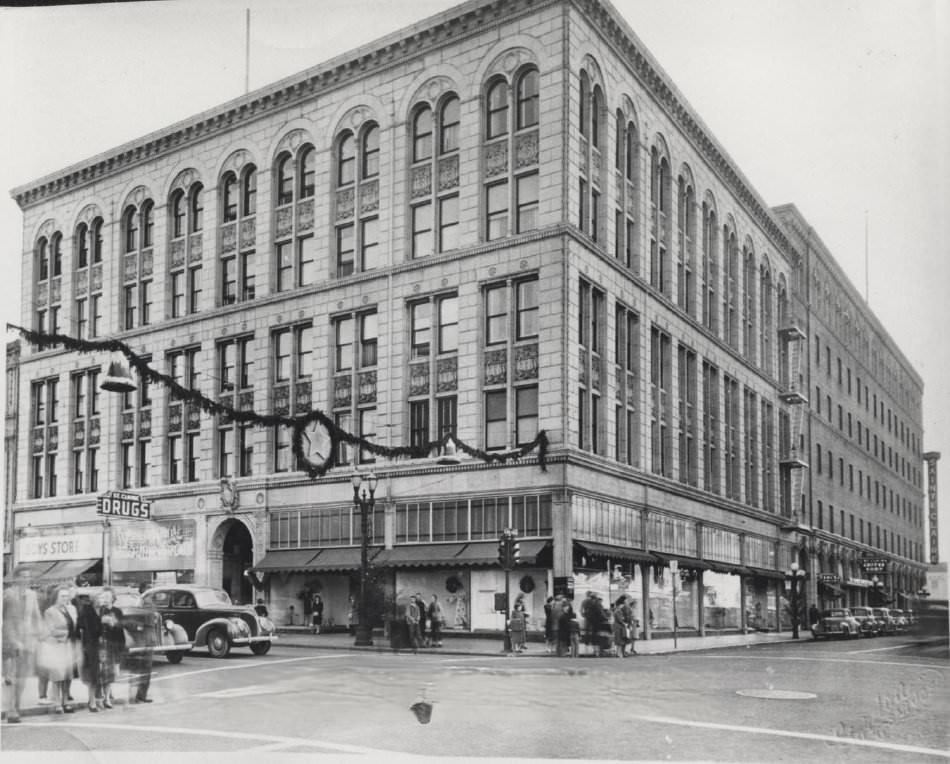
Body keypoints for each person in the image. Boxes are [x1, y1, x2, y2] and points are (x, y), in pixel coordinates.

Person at [2, 568, 44, 723]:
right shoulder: (7, 594)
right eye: (23, 576)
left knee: (23, 678)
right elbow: (5, 620)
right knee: (12, 676)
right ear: (16, 578)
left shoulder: (32, 595)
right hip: (10, 639)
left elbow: (36, 615)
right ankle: (11, 710)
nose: (27, 579)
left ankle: (17, 706)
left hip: (28, 640)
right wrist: (12, 639)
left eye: (28, 576)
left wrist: (40, 632)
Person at [39, 585, 76, 713]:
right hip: (57, 645)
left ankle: (66, 701)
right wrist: (65, 634)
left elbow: (75, 626)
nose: (65, 598)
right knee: (57, 676)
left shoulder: (71, 609)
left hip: (69, 645)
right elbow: (51, 629)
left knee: (67, 675)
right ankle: (57, 702)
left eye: (66, 596)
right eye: (62, 596)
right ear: (56, 597)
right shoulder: (50, 611)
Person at [97, 587, 126, 709]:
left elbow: (121, 628)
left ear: (113, 598)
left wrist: (114, 623)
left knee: (113, 672)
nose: (106, 599)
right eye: (104, 597)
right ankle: (105, 698)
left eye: (108, 597)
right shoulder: (99, 610)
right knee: (103, 672)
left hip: (115, 643)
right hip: (102, 644)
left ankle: (108, 695)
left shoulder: (117, 611)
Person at [77, 590, 103, 711]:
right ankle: (92, 701)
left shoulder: (100, 611)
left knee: (98, 675)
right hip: (90, 646)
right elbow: (82, 630)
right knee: (93, 675)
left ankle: (97, 699)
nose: (101, 600)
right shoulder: (87, 612)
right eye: (99, 598)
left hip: (98, 645)